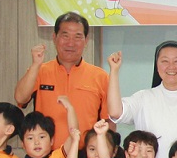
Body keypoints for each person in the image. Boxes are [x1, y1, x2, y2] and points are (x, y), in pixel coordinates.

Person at [13, 12, 109, 149]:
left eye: (77, 37)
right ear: (54, 37)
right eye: (65, 36)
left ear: (86, 40)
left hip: (84, 154)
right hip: (46, 154)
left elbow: (108, 121)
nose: (71, 43)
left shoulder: (100, 76)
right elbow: (20, 98)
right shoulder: (40, 71)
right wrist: (35, 65)